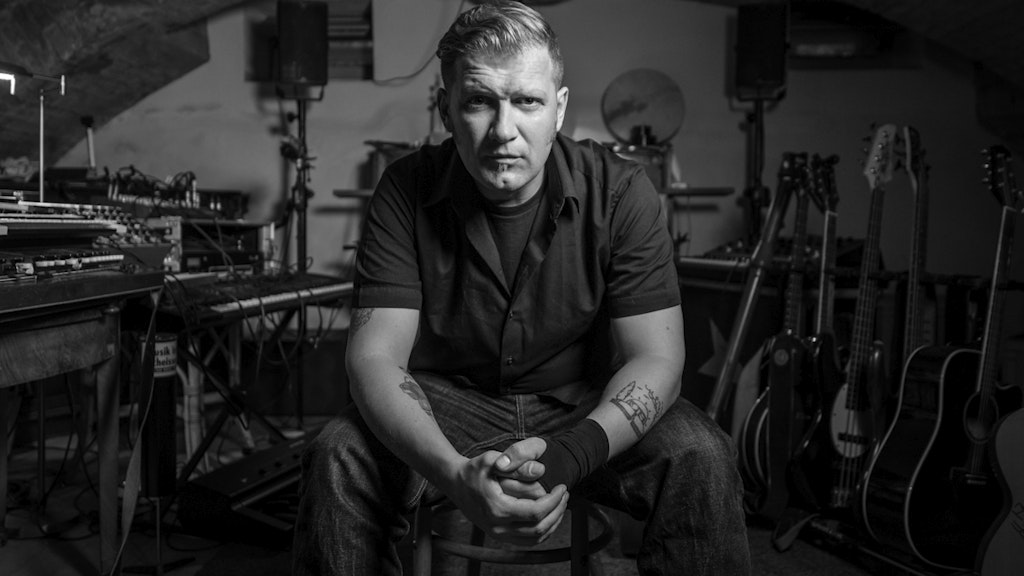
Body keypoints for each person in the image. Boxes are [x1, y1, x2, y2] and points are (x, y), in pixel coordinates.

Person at [292, 2, 750, 574]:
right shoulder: (404, 189)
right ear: (446, 108)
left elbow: (657, 358)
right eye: (479, 101)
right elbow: (373, 359)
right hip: (450, 403)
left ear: (558, 110)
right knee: (337, 453)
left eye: (527, 102)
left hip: (584, 401)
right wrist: (454, 475)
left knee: (701, 454)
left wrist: (570, 455)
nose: (503, 130)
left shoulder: (623, 192)